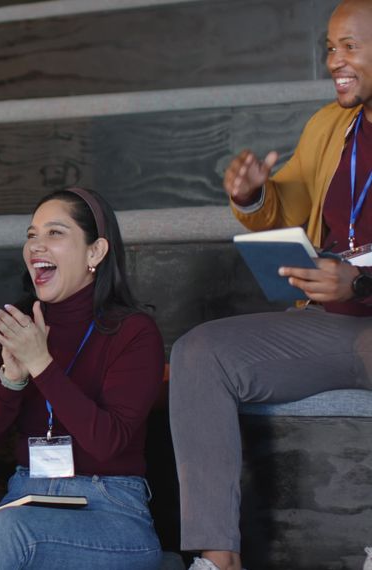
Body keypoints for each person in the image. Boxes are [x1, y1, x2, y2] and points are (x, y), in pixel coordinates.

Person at [168, 1, 372, 569]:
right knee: (201, 353)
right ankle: (218, 558)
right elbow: (288, 205)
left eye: (350, 46)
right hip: (330, 323)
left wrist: (360, 282)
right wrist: (253, 195)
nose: (336, 61)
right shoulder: (331, 125)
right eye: (330, 48)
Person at [0, 187, 165, 569]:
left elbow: (107, 441)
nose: (36, 246)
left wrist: (41, 365)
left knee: (7, 528)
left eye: (55, 233)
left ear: (95, 252)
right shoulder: (16, 326)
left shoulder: (134, 331)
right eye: (32, 235)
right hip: (25, 494)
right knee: (4, 524)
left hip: (110, 510)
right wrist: (12, 380)